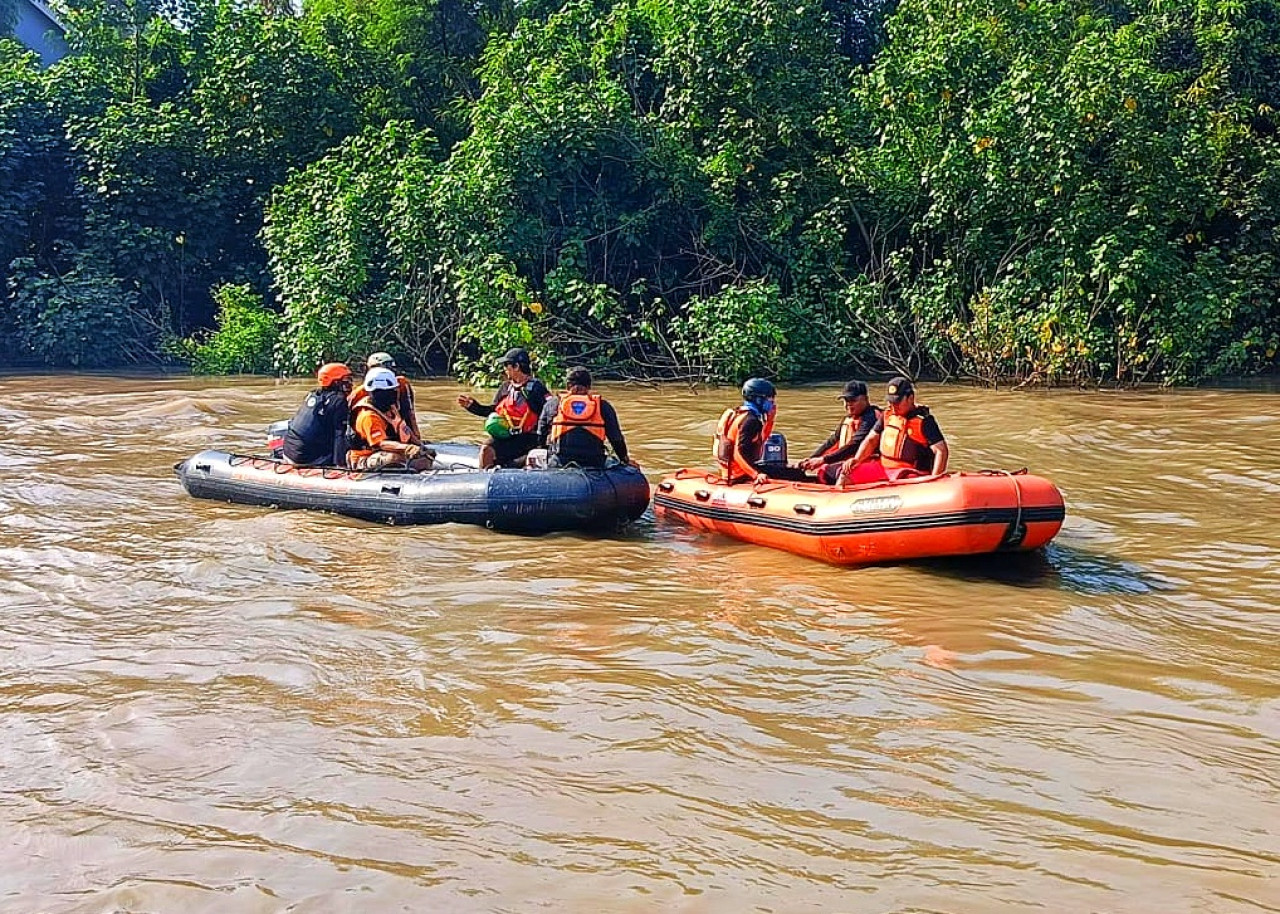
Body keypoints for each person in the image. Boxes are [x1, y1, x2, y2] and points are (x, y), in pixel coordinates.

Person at [839, 376, 948, 483]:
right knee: (846, 475)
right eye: (890, 401)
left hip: (908, 472)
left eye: (897, 402)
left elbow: (941, 450)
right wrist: (857, 459)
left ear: (910, 398)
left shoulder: (925, 421)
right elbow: (871, 440)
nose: (893, 405)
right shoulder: (887, 415)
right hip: (883, 467)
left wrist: (935, 479)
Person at [456, 347, 550, 468]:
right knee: (486, 449)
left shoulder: (537, 388)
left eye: (507, 365)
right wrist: (474, 407)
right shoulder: (505, 387)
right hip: (508, 437)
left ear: (516, 366)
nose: (504, 369)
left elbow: (549, 413)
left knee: (530, 458)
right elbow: (492, 411)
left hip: (530, 439)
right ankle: (484, 477)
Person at [713, 378, 810, 484]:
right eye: (770, 398)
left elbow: (762, 440)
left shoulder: (740, 414)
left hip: (731, 472)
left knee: (789, 471)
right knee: (797, 475)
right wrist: (756, 474)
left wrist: (770, 419)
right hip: (741, 475)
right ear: (758, 399)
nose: (772, 402)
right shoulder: (750, 421)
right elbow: (737, 454)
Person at [536, 366, 634, 469]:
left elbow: (540, 436)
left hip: (560, 463)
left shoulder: (553, 404)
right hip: (595, 463)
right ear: (589, 386)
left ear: (567, 386)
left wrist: (545, 451)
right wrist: (625, 460)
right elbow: (616, 439)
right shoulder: (602, 406)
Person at [347, 367, 435, 471]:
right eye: (390, 391)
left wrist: (421, 447)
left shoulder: (390, 408)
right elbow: (381, 443)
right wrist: (407, 448)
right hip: (365, 457)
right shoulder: (368, 416)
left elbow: (404, 429)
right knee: (393, 458)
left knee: (425, 459)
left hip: (389, 450)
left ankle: (409, 465)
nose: (394, 394)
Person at [797, 380, 881, 484]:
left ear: (866, 399)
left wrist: (823, 460)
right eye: (846, 400)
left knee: (841, 472)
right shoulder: (848, 419)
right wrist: (812, 458)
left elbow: (854, 445)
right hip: (848, 461)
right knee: (824, 471)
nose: (848, 404)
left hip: (869, 462)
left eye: (853, 400)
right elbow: (832, 441)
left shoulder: (872, 418)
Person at [282, 362, 354, 467]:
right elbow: (339, 436)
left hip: (289, 452)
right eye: (346, 380)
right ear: (335, 382)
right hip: (306, 459)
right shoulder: (339, 401)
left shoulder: (313, 394)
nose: (350, 384)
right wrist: (340, 466)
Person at [351, 351, 422, 445]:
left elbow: (409, 413)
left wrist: (416, 440)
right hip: (372, 432)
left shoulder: (401, 384)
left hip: (395, 425)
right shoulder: (359, 392)